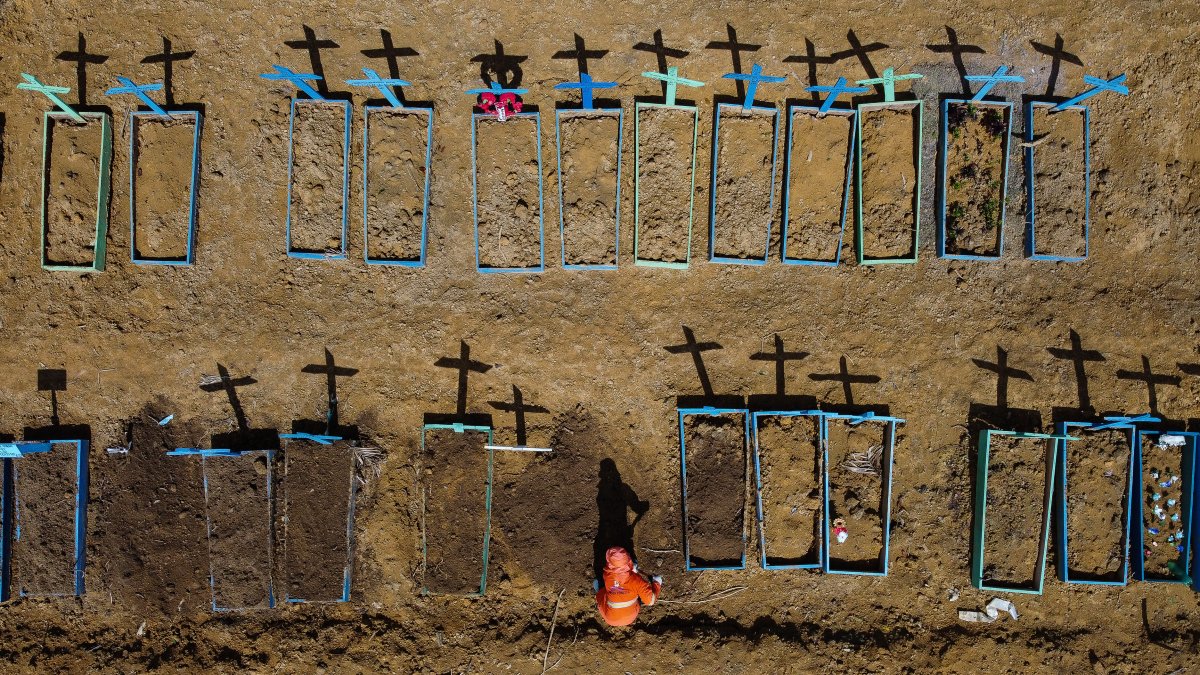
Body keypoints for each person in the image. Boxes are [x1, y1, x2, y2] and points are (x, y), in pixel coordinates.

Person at [594, 546, 662, 626]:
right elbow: (650, 601)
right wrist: (657, 583)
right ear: (628, 559)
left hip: (610, 619)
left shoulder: (607, 575)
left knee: (597, 583)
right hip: (630, 618)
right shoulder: (636, 580)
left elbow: (618, 574)